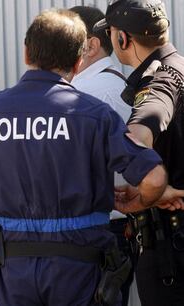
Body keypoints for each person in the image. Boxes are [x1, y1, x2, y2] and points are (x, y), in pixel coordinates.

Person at [0, 9, 183, 306]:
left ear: (25, 53)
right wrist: (142, 200)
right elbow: (153, 177)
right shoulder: (92, 113)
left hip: (13, 266)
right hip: (77, 267)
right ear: (77, 60)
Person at [94, 1, 184, 305]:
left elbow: (136, 135)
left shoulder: (159, 81)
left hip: (170, 252)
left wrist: (148, 192)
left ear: (122, 39)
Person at [69, 6, 134, 306]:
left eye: (65, 39)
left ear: (91, 45)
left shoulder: (89, 93)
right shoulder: (114, 86)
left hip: (98, 229)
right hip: (115, 228)